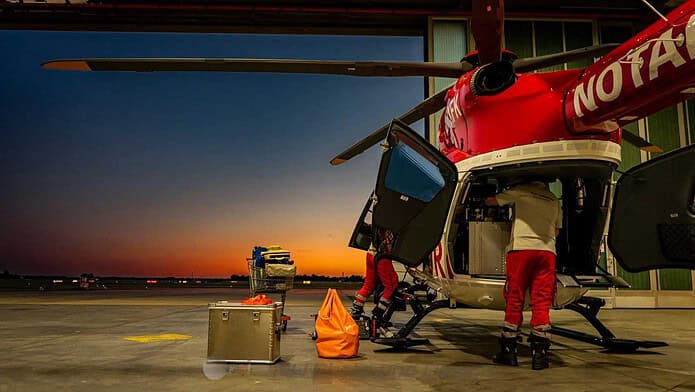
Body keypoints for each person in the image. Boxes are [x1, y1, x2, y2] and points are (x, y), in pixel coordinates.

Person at [485, 178, 562, 370]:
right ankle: (540, 356)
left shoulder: (520, 190)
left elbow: (492, 202)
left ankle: (509, 351)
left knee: (515, 296)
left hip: (521, 249)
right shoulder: (553, 199)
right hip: (547, 251)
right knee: (542, 299)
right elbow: (557, 230)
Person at [349, 243, 399, 338]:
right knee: (391, 286)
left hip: (371, 253)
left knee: (369, 285)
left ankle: (355, 311)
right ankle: (379, 320)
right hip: (382, 254)